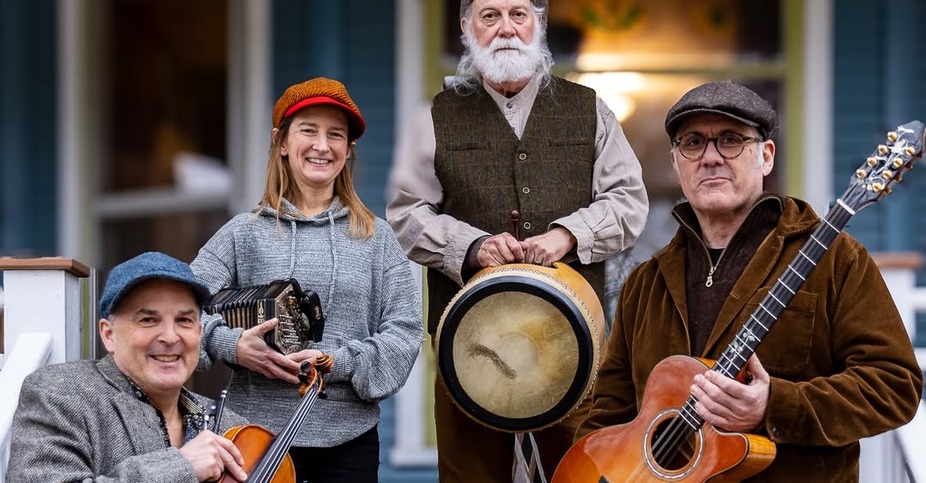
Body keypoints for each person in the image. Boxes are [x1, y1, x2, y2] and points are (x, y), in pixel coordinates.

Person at [578, 81, 925, 480]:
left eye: (730, 140)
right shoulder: (647, 283)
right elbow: (608, 413)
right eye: (693, 143)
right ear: (676, 164)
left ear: (766, 156)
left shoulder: (836, 260)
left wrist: (775, 406)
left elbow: (893, 386)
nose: (710, 158)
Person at [386, 0, 648, 480]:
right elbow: (406, 213)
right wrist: (471, 246)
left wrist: (568, 235)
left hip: (575, 346)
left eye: (518, 14)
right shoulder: (434, 116)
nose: (505, 28)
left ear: (539, 24)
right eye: (489, 16)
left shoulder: (589, 108)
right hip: (469, 349)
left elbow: (629, 202)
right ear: (467, 28)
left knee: (583, 473)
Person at [192, 76, 423, 483]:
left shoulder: (377, 237)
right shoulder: (242, 233)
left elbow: (404, 334)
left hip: (348, 443)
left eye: (336, 134)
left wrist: (339, 361)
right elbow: (182, 311)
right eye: (308, 130)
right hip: (252, 439)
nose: (322, 145)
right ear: (281, 142)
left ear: (348, 150)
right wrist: (233, 346)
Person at [7, 251, 249, 483]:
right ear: (108, 334)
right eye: (148, 320)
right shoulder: (60, 394)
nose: (170, 337)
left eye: (184, 320)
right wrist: (180, 466)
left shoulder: (235, 428)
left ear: (198, 333)